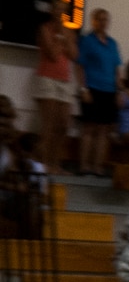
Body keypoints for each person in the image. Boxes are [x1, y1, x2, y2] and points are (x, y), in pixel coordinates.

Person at [77, 7, 121, 177]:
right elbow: (79, 66)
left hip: (109, 90)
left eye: (105, 19)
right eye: (99, 19)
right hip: (92, 89)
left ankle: (97, 167)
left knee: (104, 130)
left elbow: (117, 69)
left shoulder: (113, 43)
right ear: (93, 21)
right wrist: (83, 88)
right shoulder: (87, 41)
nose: (103, 22)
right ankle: (84, 166)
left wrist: (119, 92)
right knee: (88, 129)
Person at [33, 11, 76, 173]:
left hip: (64, 80)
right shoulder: (45, 29)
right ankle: (44, 164)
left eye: (63, 10)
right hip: (47, 78)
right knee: (48, 125)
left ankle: (55, 163)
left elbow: (73, 54)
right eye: (57, 9)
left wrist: (64, 37)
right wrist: (60, 38)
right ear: (52, 11)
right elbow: (52, 54)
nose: (60, 14)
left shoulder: (68, 30)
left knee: (64, 125)